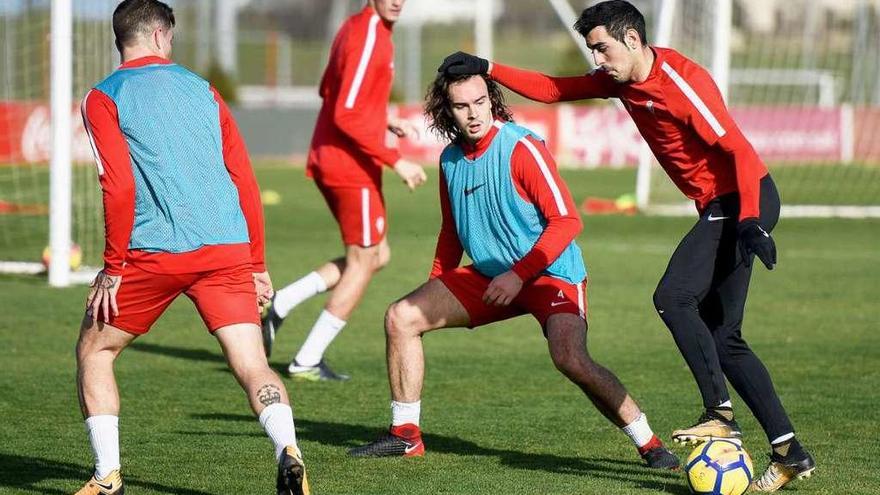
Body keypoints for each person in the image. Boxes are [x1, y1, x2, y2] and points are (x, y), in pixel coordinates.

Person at [438, 1, 815, 491]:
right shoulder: (619, 80)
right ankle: (789, 452)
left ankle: (719, 415)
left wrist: (748, 222)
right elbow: (554, 90)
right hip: (721, 208)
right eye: (592, 49)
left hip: (742, 200)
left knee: (673, 298)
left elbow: (738, 150)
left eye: (602, 48)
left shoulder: (682, 81)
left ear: (632, 40)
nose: (597, 59)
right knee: (725, 338)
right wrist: (488, 68)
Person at [347, 70, 680, 470]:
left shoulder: (522, 147)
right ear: (447, 111)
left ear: (492, 100)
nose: (473, 113)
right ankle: (405, 436)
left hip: (550, 273)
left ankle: (649, 442)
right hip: (490, 276)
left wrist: (519, 275)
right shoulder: (450, 160)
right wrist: (438, 284)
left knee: (570, 358)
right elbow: (451, 231)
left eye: (480, 102)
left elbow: (567, 221)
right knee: (401, 317)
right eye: (461, 106)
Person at [76, 1, 308, 494]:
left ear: (124, 37)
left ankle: (108, 477)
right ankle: (289, 449)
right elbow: (243, 177)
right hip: (226, 250)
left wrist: (112, 268)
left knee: (95, 353)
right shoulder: (204, 90)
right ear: (162, 35)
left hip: (152, 253)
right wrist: (257, 263)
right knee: (252, 364)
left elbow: (116, 187)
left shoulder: (103, 97)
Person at [260, 0, 427, 381]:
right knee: (365, 259)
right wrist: (395, 159)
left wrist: (386, 119)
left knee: (376, 254)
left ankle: (282, 302)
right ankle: (307, 359)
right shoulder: (369, 34)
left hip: (336, 157)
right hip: (349, 165)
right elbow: (346, 113)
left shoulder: (358, 28)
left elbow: (331, 92)